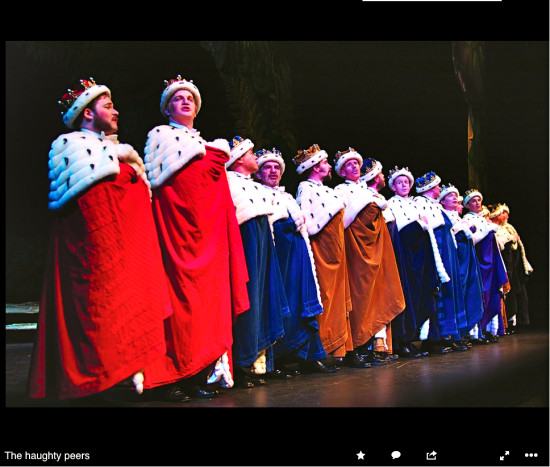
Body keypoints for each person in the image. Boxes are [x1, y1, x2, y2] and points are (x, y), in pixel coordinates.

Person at [27, 78, 171, 402]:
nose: (115, 111)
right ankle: (92, 380)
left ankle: (124, 372)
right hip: (93, 250)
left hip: (122, 248)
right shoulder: (72, 147)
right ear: (88, 113)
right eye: (108, 106)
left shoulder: (115, 151)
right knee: (95, 312)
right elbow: (92, 202)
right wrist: (127, 180)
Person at [141, 76, 250, 400]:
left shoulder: (206, 147)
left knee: (210, 306)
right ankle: (171, 375)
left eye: (190, 97)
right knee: (178, 305)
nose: (185, 101)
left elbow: (215, 196)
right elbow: (168, 190)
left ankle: (202, 371)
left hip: (210, 239)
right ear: (167, 107)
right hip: (178, 238)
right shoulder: (161, 139)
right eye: (178, 98)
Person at [254, 147, 330, 374]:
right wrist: (287, 226)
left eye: (277, 167)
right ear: (258, 173)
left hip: (297, 257)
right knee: (281, 306)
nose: (273, 171)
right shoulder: (256, 194)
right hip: (279, 259)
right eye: (267, 167)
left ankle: (307, 356)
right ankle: (277, 360)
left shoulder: (287, 196)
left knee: (302, 304)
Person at [225, 136, 288, 387]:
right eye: (252, 154)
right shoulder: (230, 182)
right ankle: (243, 363)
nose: (256, 158)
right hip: (247, 240)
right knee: (249, 298)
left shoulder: (253, 186)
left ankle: (261, 364)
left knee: (264, 298)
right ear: (240, 158)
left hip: (262, 239)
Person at [334, 151, 405, 365]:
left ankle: (369, 345)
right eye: (349, 165)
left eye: (357, 163)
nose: (355, 167)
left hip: (374, 247)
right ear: (342, 171)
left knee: (375, 295)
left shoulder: (367, 191)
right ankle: (353, 348)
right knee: (358, 296)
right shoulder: (340, 190)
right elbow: (344, 220)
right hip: (356, 249)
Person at [294, 144, 352, 369]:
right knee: (323, 298)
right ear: (316, 167)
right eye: (325, 163)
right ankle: (316, 352)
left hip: (336, 251)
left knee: (336, 300)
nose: (329, 167)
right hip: (321, 250)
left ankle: (336, 349)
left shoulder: (330, 191)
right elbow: (305, 218)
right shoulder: (305, 187)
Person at [383, 167, 449, 357]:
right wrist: (420, 224)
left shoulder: (415, 203)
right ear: (393, 186)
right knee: (408, 294)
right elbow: (400, 231)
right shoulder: (391, 203)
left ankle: (413, 338)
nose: (404, 185)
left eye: (406, 182)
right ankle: (401, 340)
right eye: (399, 182)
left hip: (421, 254)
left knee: (423, 293)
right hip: (406, 256)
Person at [414, 172, 469, 353]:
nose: (439, 189)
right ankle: (433, 339)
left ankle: (447, 335)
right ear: (430, 188)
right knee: (437, 296)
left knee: (448, 295)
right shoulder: (421, 204)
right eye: (437, 186)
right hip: (437, 253)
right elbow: (430, 231)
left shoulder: (437, 206)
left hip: (447, 252)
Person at [438, 183, 484, 346]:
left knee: (467, 291)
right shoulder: (443, 214)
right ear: (442, 200)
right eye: (450, 196)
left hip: (465, 258)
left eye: (455, 195)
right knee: (456, 294)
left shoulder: (455, 215)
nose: (454, 198)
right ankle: (454, 335)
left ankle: (462, 333)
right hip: (455, 258)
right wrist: (461, 228)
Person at [462, 189, 509, 342]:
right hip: (479, 263)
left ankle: (490, 329)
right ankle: (476, 331)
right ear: (467, 205)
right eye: (473, 201)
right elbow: (472, 241)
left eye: (479, 200)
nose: (477, 203)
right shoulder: (468, 219)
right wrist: (485, 230)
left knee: (493, 295)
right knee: (480, 295)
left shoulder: (484, 219)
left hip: (490, 262)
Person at [489, 203, 533, 333]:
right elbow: (498, 243)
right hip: (505, 264)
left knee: (520, 293)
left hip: (515, 264)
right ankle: (509, 322)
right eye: (503, 213)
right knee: (508, 292)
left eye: (506, 213)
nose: (506, 215)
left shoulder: (509, 227)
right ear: (496, 215)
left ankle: (521, 321)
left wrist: (526, 264)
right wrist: (509, 238)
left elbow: (520, 247)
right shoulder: (493, 228)